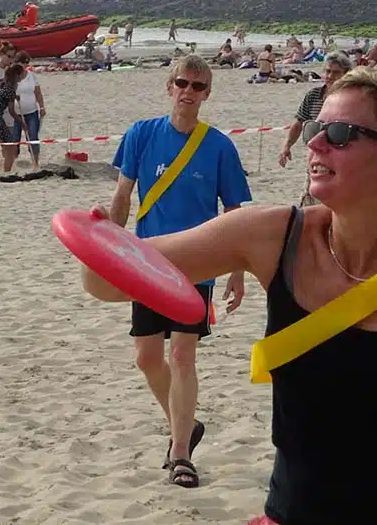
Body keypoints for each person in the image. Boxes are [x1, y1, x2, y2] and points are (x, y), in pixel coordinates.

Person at [83, 66, 377, 520]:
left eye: (340, 134)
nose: (314, 143)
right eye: (315, 128)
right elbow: (107, 281)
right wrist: (95, 240)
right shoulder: (271, 236)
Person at [105, 54, 251, 489]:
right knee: (146, 357)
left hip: (199, 263)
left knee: (183, 355)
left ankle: (181, 453)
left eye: (198, 86)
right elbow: (123, 196)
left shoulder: (220, 146)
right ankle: (184, 423)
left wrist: (237, 270)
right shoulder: (141, 134)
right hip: (148, 261)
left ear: (207, 94)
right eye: (183, 83)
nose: (189, 92)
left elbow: (235, 212)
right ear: (169, 86)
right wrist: (108, 248)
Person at [278, 52, 352, 207]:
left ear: (346, 74)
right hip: (316, 158)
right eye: (328, 71)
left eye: (336, 72)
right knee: (311, 201)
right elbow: (299, 123)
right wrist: (286, 146)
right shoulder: (313, 96)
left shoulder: (352, 100)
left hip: (341, 160)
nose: (330, 76)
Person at [12, 52, 46, 168]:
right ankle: (14, 162)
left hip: (31, 112)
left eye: (27, 63)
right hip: (15, 114)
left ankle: (35, 163)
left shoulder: (31, 76)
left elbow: (38, 92)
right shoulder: (12, 76)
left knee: (33, 137)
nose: (26, 65)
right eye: (24, 62)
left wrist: (42, 107)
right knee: (15, 139)